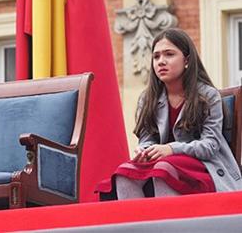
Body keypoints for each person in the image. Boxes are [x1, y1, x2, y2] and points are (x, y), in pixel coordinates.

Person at [99, 28, 242, 199]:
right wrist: (144, 150)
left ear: (187, 60)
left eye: (169, 54)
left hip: (204, 167)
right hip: (164, 163)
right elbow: (148, 139)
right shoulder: (147, 98)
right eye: (156, 56)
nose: (161, 61)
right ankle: (138, 224)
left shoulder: (208, 96)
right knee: (125, 173)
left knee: (164, 169)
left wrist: (171, 149)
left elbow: (209, 146)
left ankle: (167, 224)